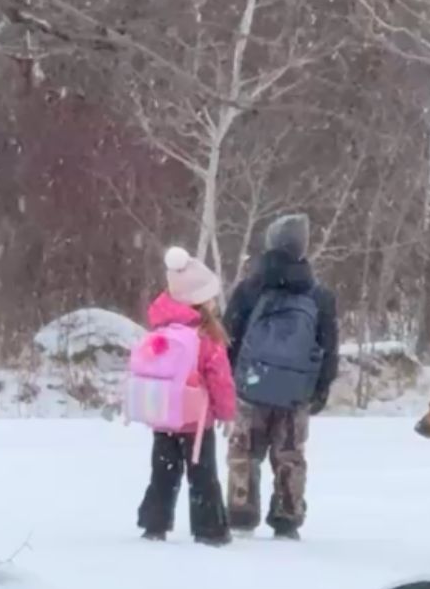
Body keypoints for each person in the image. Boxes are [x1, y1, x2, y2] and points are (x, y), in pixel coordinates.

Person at [223, 212, 340, 540]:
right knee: (289, 453)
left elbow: (229, 336)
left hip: (251, 385)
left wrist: (231, 378)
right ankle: (287, 516)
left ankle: (241, 513)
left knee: (244, 451)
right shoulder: (319, 295)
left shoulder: (249, 288)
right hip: (296, 392)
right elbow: (329, 346)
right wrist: (321, 387)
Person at [136, 247, 237, 545]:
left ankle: (154, 524)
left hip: (164, 415)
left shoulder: (159, 329)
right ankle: (210, 529)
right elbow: (220, 379)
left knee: (163, 473)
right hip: (196, 419)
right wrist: (227, 413)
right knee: (202, 476)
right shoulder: (205, 335)